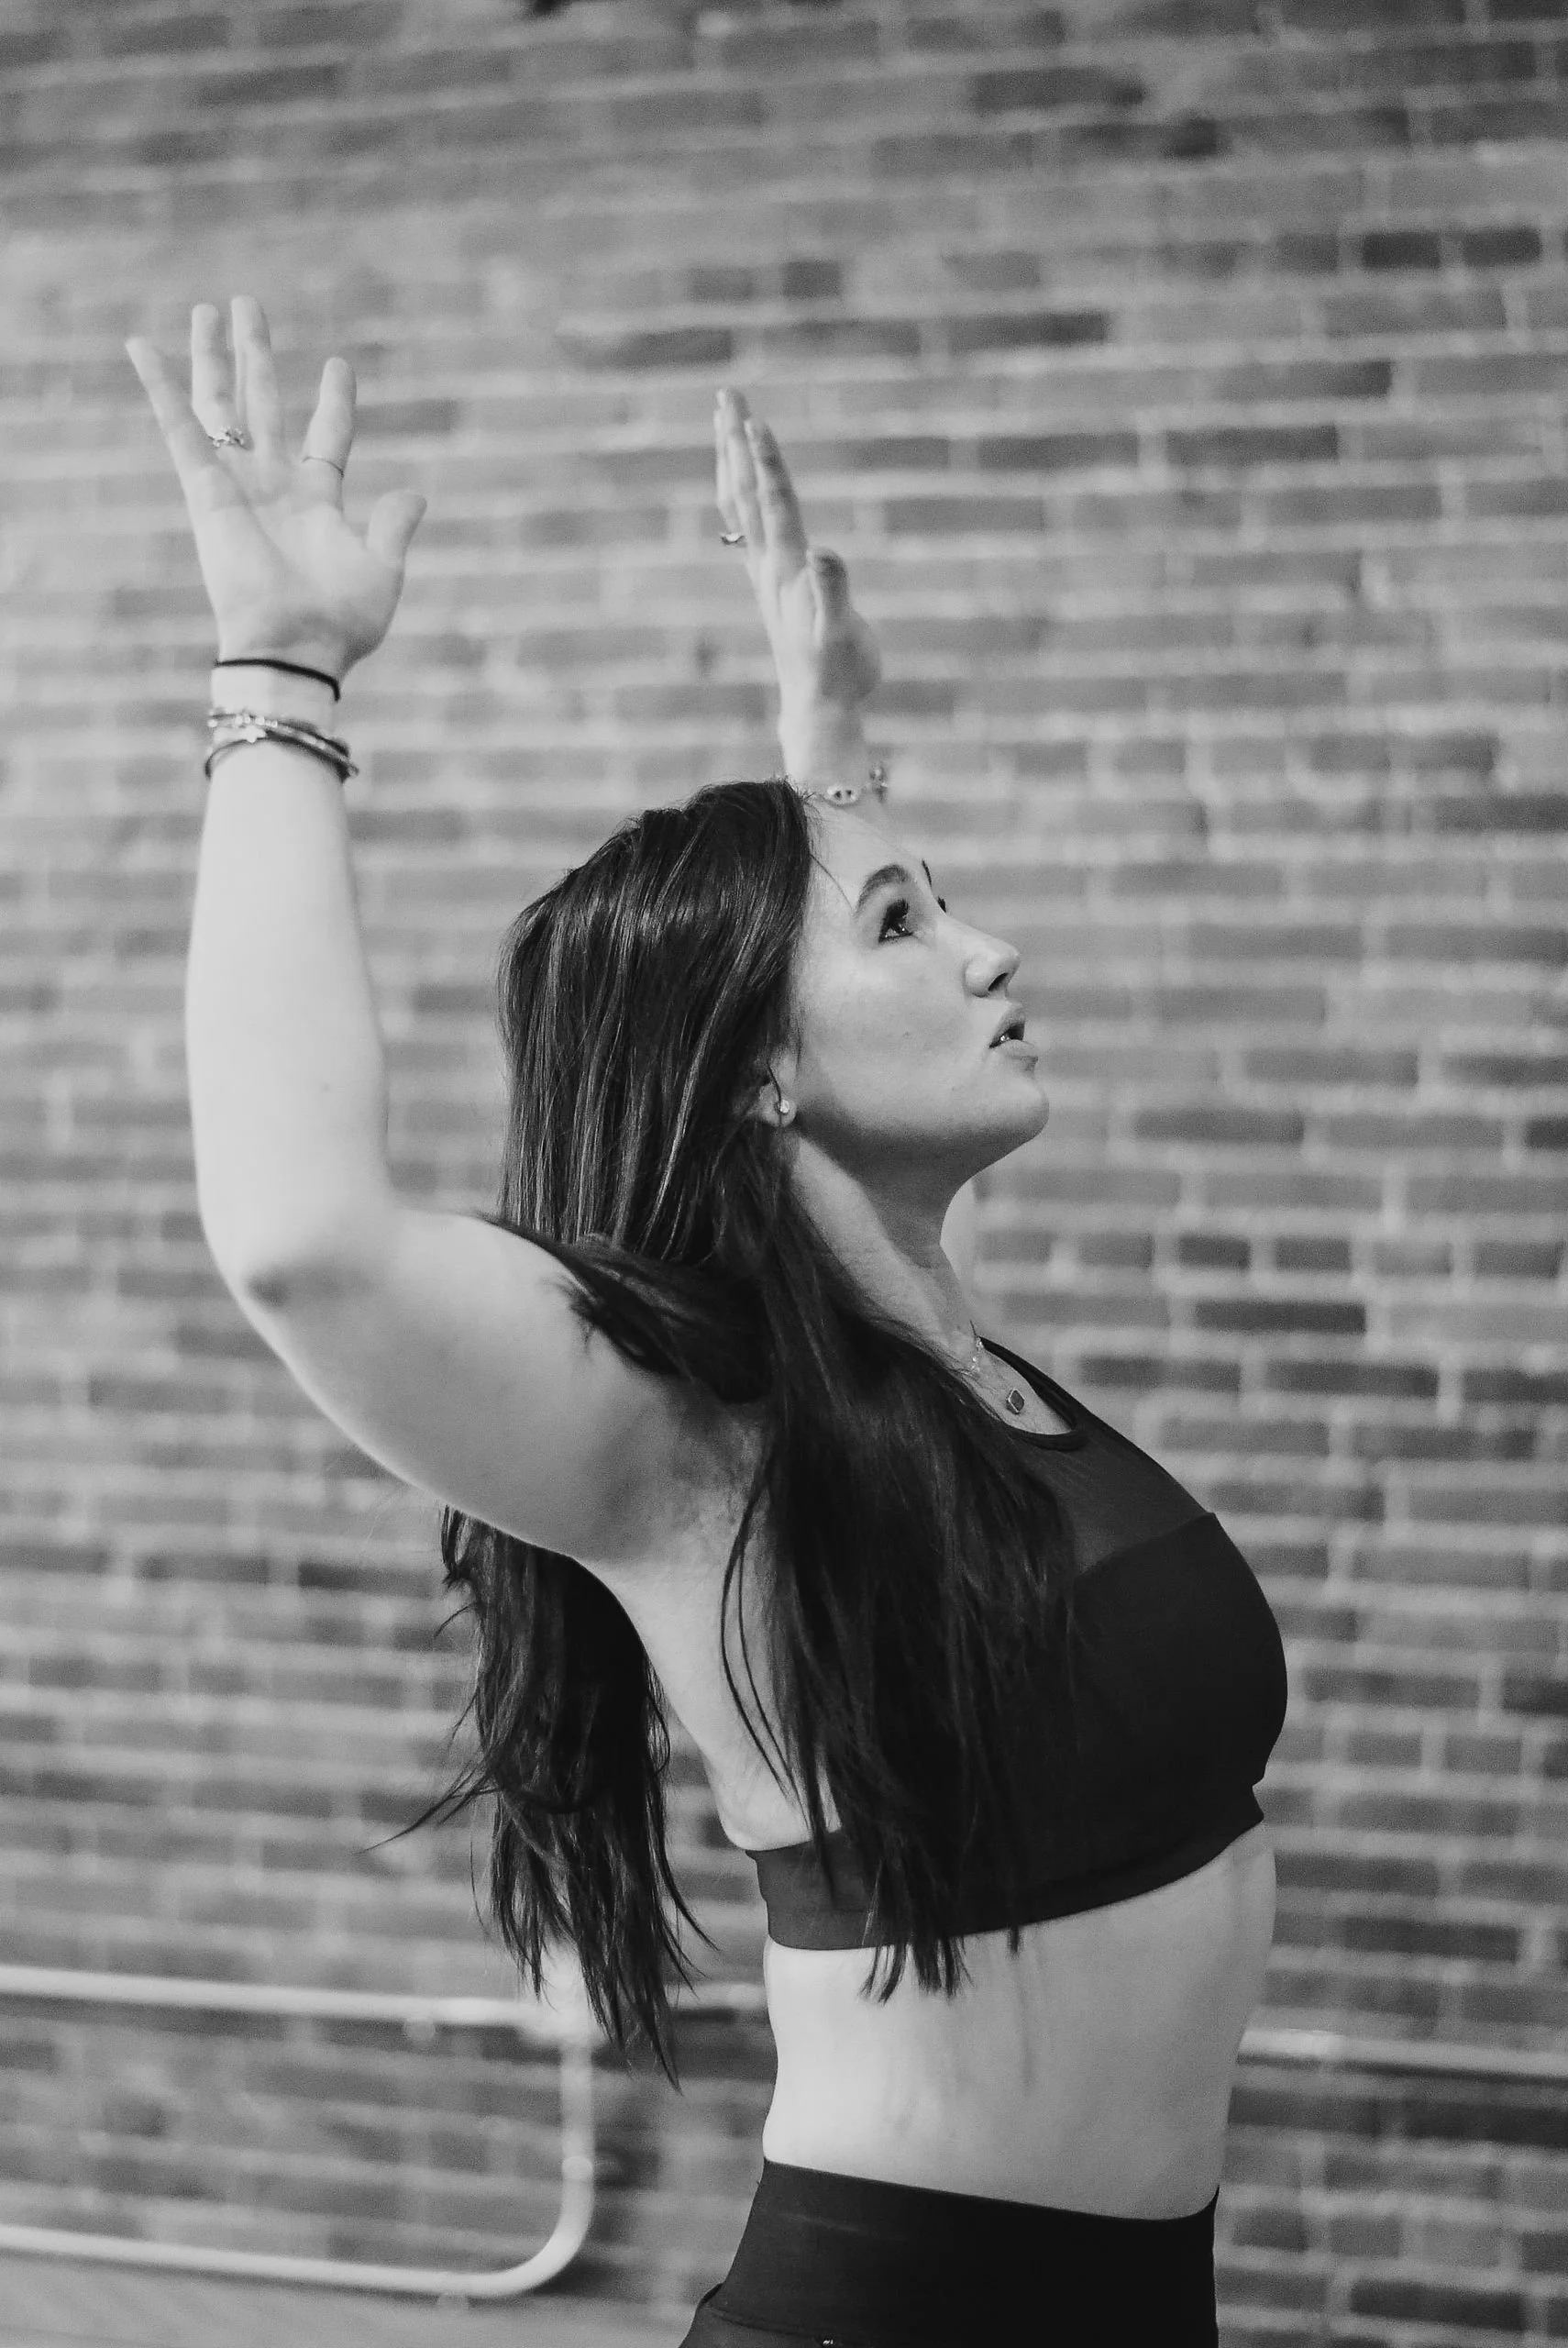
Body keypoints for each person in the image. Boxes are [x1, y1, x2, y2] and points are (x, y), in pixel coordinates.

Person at [126, 297, 1287, 2348]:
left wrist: (830, 749)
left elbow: (795, 1000)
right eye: (915, 922)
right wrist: (278, 676)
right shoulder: (688, 1437)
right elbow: (302, 1235)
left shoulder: (928, 1368)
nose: (992, 947)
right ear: (756, 1070)